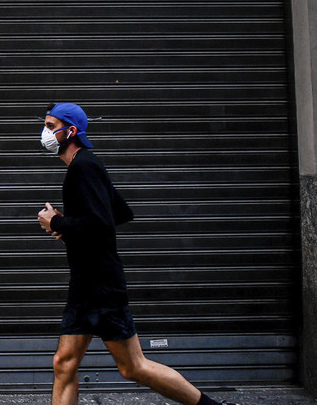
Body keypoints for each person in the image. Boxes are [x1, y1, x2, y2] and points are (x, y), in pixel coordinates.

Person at [36, 103, 237, 405]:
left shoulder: (84, 167)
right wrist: (72, 225)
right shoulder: (86, 164)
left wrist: (57, 223)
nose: (45, 132)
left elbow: (101, 223)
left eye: (51, 126)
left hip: (101, 286)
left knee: (133, 367)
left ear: (71, 131)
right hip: (86, 283)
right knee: (64, 363)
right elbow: (119, 212)